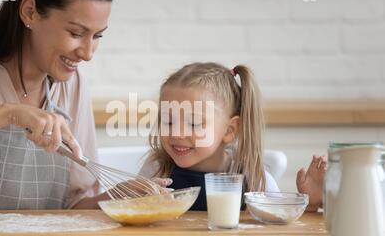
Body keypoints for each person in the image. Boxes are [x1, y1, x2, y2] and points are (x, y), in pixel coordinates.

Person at [0, 0, 124, 210]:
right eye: (76, 34)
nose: (88, 54)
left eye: (97, 36)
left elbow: (73, 207)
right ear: (29, 12)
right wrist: (7, 114)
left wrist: (120, 199)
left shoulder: (73, 85)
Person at [139, 62, 326, 211]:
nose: (177, 133)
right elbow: (127, 214)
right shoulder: (156, 168)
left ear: (229, 130)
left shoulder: (252, 177)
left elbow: (279, 222)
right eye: (168, 121)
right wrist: (124, 196)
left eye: (194, 124)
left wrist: (311, 204)